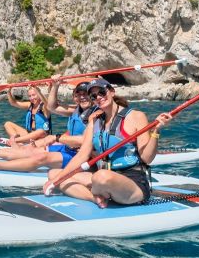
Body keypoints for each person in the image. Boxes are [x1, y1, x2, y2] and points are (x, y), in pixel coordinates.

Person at [44, 78, 173, 207]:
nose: (98, 97)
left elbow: (147, 158)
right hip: (103, 178)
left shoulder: (135, 116)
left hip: (132, 182)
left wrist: (156, 131)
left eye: (101, 92)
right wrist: (56, 180)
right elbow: (82, 155)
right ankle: (95, 198)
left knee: (101, 177)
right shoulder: (94, 121)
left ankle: (98, 191)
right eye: (93, 96)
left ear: (111, 92)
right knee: (53, 174)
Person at [0, 80, 94, 173]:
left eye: (86, 94)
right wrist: (55, 85)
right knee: (30, 151)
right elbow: (53, 106)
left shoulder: (96, 114)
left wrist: (57, 138)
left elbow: (49, 106)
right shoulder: (75, 110)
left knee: (41, 155)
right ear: (75, 97)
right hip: (66, 148)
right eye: (79, 94)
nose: (82, 97)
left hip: (80, 155)